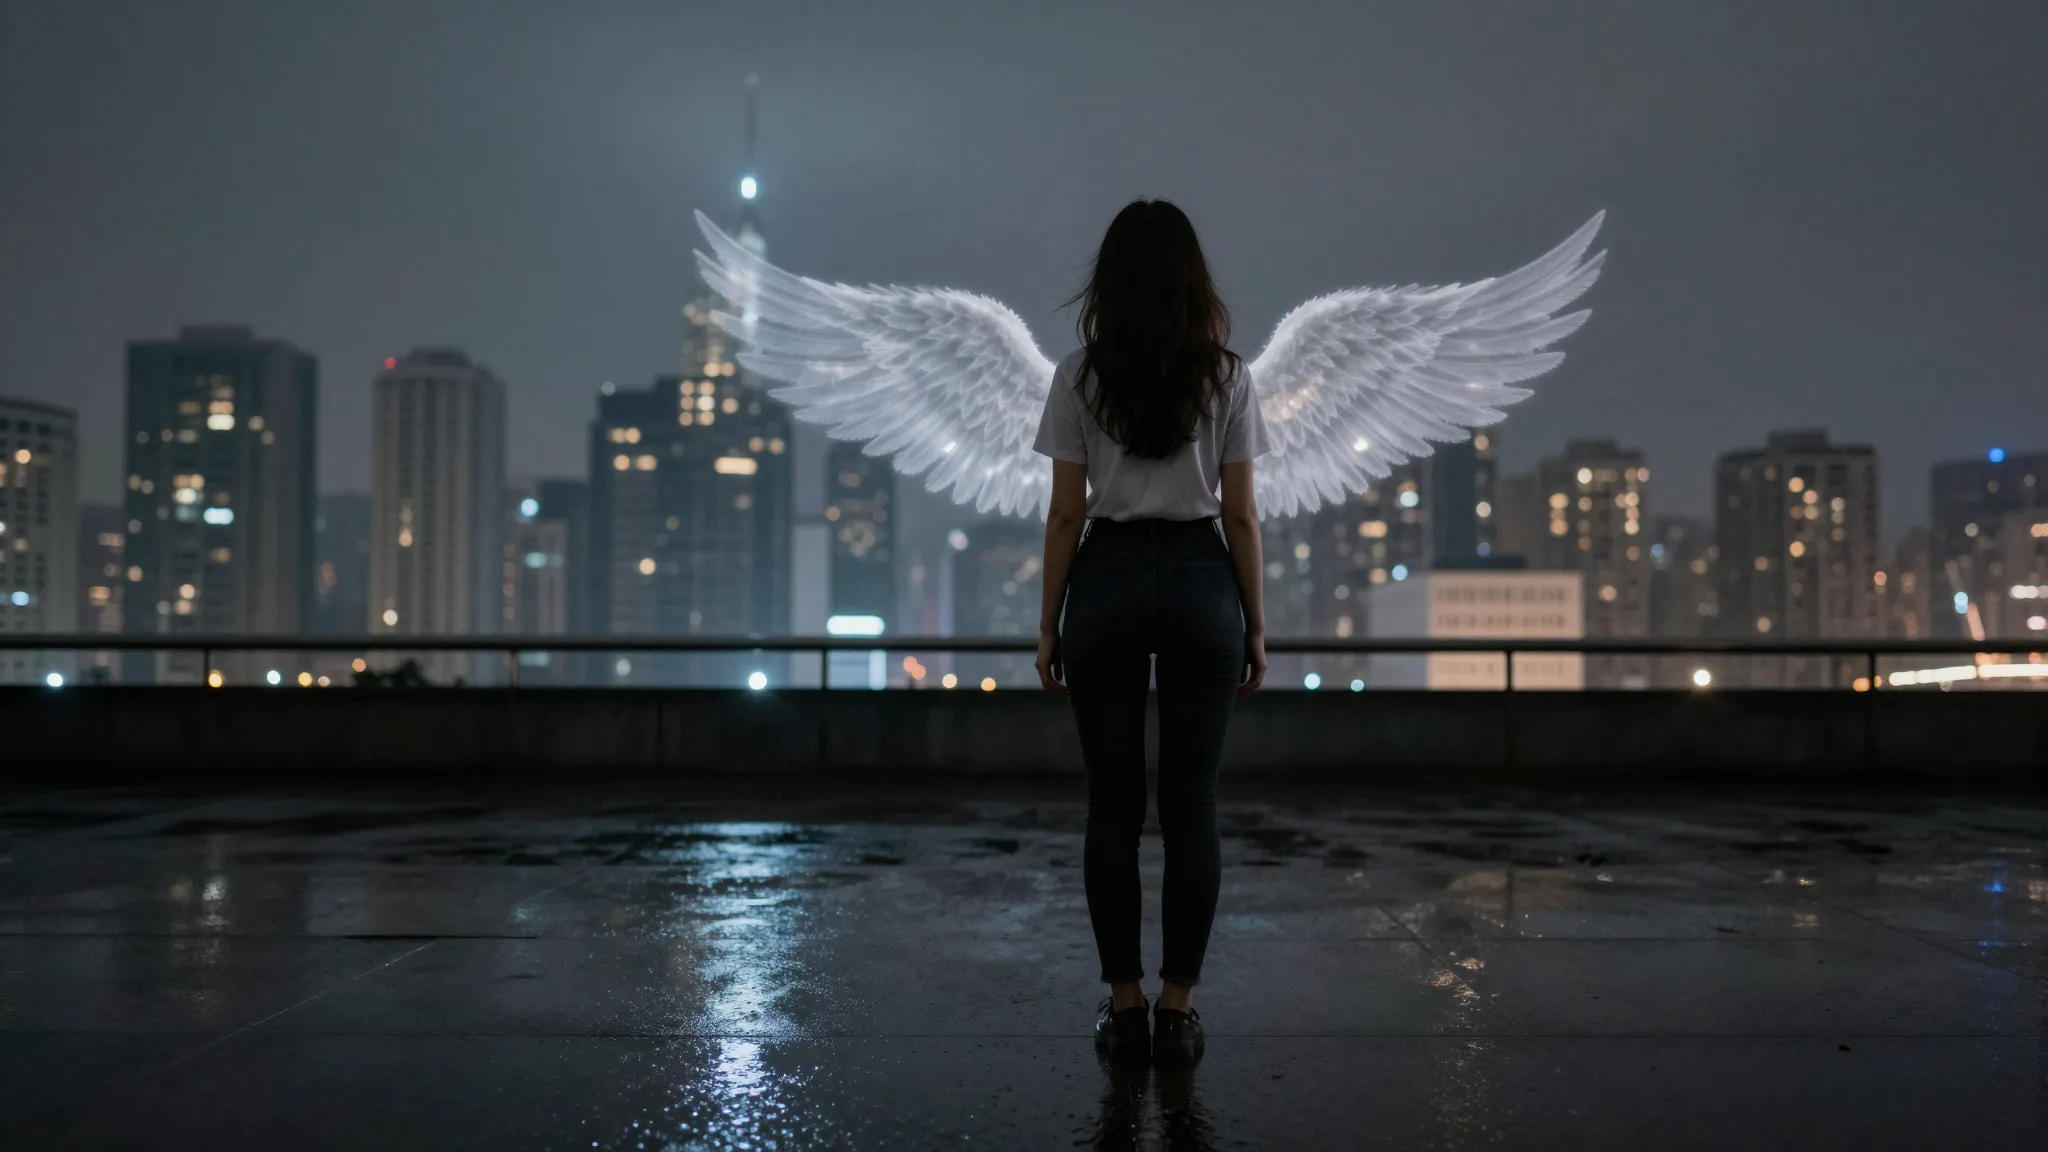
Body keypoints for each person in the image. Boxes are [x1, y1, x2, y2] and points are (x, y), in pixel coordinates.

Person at [1031, 198, 1269, 1064]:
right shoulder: (1228, 377)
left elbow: (1066, 513)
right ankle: (1179, 1011)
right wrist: (1255, 624)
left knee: (1113, 805)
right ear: (1192, 280)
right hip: (1203, 577)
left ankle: (1125, 1007)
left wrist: (1049, 623)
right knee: (1192, 804)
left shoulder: (1079, 376)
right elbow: (1241, 516)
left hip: (1110, 578)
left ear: (1109, 281)